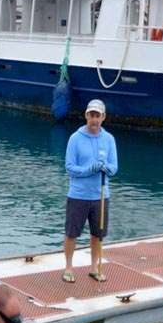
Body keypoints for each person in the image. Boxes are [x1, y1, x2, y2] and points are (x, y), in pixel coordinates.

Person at [62, 98, 118, 284]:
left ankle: (94, 267)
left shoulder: (109, 139)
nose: (94, 119)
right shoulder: (75, 138)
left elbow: (114, 166)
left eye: (98, 116)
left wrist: (107, 168)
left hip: (101, 195)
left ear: (103, 117)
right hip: (78, 195)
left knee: (97, 234)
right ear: (86, 116)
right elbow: (69, 167)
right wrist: (88, 169)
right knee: (72, 233)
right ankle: (69, 267)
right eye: (91, 115)